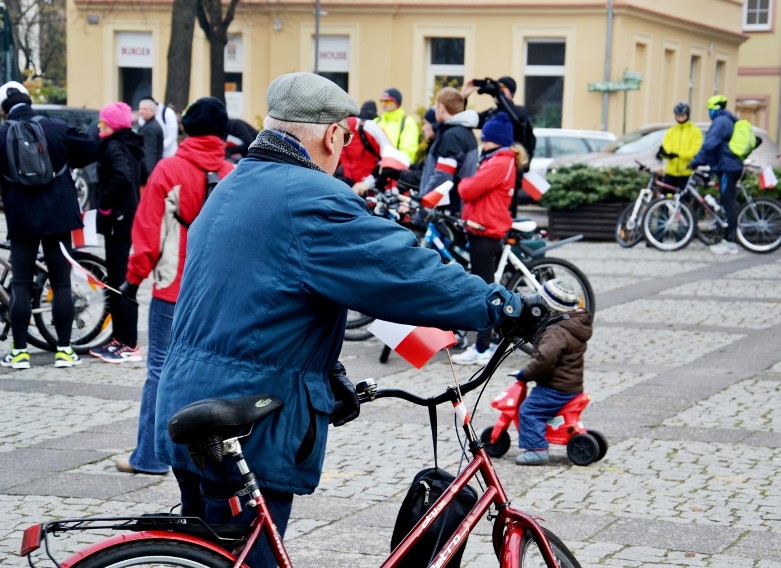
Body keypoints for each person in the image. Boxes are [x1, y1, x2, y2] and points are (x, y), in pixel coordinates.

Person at [152, 72, 549, 567]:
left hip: (189, 401)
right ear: (332, 133)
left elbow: (256, 299)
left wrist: (326, 373)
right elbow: (401, 270)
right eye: (346, 138)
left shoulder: (236, 185)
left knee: (214, 552)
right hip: (249, 415)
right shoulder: (310, 198)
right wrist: (500, 305)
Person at [114, 97, 234, 475]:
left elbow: (148, 235)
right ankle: (210, 460)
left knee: (161, 372)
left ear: (185, 129)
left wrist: (132, 281)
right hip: (218, 292)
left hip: (172, 288)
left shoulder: (169, 170)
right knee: (214, 372)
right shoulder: (234, 173)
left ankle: (148, 457)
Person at [0, 82, 98, 369]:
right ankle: (64, 351)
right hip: (58, 217)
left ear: (5, 108)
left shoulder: (2, 133)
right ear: (29, 101)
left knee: (19, 284)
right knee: (61, 283)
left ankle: (19, 353)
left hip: (22, 219)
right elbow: (90, 149)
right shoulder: (55, 127)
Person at [452, 112, 529, 366]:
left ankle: (482, 347)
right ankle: (491, 338)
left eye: (485, 140)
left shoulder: (498, 162)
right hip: (482, 227)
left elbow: (468, 189)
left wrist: (464, 182)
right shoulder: (498, 159)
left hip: (486, 230)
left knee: (484, 290)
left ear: (496, 140)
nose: (482, 144)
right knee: (489, 285)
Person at [88, 102, 145, 363]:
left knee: (119, 280)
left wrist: (106, 203)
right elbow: (141, 175)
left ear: (111, 124)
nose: (100, 126)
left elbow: (122, 176)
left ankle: (128, 343)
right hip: (127, 217)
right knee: (117, 278)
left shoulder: (113, 146)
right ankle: (119, 337)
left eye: (103, 122)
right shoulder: (129, 143)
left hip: (119, 221)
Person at [514, 279, 593, 465]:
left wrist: (526, 373)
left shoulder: (555, 331)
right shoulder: (574, 325)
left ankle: (537, 449)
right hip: (571, 385)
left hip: (555, 388)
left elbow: (544, 359)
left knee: (528, 410)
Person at [462, 76, 536, 217]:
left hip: (509, 176)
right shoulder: (492, 114)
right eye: (498, 88)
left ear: (512, 93)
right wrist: (464, 98)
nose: (498, 92)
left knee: (505, 218)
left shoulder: (519, 112)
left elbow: (517, 118)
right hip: (488, 170)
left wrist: (498, 92)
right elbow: (464, 120)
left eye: (503, 89)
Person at [688, 95, 743, 256]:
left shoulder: (720, 122)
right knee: (727, 201)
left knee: (728, 202)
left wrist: (695, 162)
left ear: (715, 109)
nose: (709, 113)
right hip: (728, 165)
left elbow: (710, 144)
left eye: (710, 110)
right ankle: (728, 239)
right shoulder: (727, 120)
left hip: (728, 167)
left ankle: (730, 243)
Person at [418, 87, 479, 215]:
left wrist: (423, 208)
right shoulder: (466, 132)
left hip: (446, 210)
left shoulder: (451, 137)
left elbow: (442, 177)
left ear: (441, 108)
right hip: (458, 207)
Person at [338, 114, 392, 194]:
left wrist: (368, 183)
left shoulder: (368, 127)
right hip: (351, 188)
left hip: (374, 190)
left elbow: (390, 158)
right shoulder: (335, 132)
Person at [656, 102, 703, 190]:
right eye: (678, 116)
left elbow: (694, 151)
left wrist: (678, 154)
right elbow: (667, 147)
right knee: (666, 198)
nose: (680, 118)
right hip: (671, 172)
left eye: (683, 115)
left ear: (687, 115)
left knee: (683, 200)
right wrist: (666, 154)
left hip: (686, 172)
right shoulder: (671, 131)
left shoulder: (695, 131)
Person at [375, 87, 420, 164]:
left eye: (387, 101)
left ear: (397, 103)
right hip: (374, 168)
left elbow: (408, 152)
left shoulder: (408, 123)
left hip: (395, 169)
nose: (383, 104)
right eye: (381, 101)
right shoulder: (376, 121)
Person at [137, 97, 164, 180]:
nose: (141, 111)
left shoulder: (151, 128)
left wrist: (148, 174)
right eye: (140, 109)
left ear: (152, 111)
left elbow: (150, 152)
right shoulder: (149, 125)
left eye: (144, 109)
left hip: (148, 173)